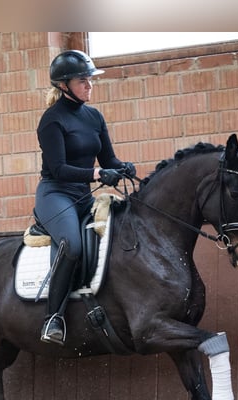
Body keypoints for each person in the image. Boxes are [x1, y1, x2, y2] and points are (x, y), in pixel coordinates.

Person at [34, 49, 136, 345]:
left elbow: (108, 160)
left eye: (90, 79)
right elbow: (59, 169)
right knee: (73, 246)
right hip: (56, 194)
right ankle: (52, 318)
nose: (90, 85)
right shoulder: (52, 121)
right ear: (64, 85)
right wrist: (96, 175)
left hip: (84, 196)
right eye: (83, 80)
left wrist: (123, 167)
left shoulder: (94, 116)